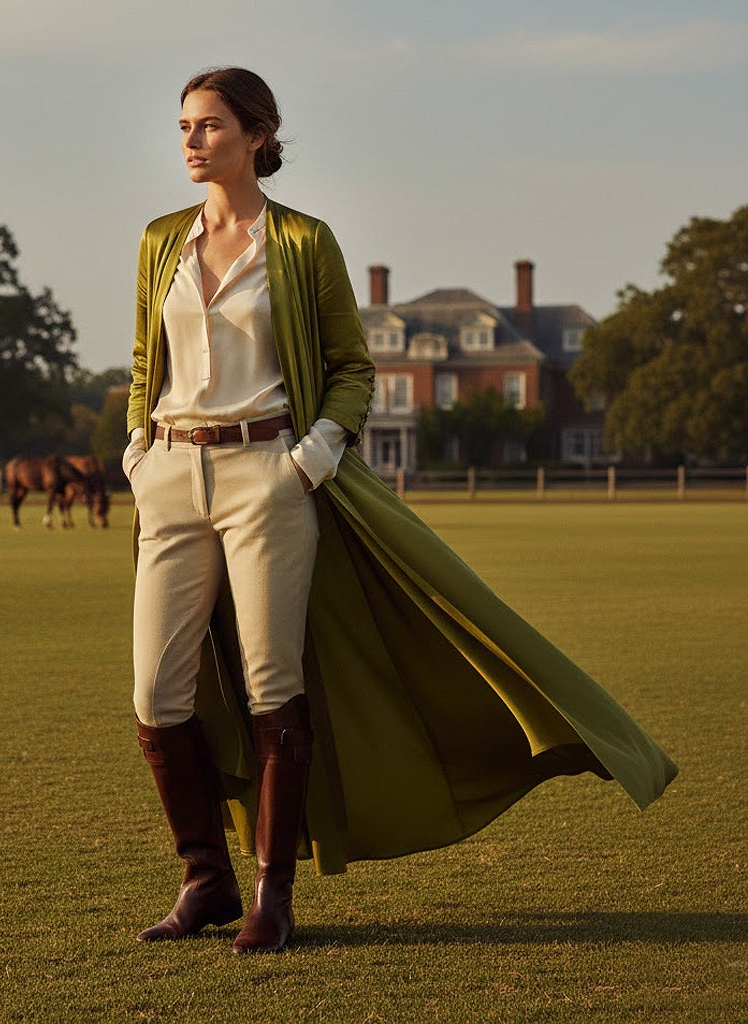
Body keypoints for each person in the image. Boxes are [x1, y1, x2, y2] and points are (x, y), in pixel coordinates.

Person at [124, 67, 676, 956]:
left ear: (259, 135)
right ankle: (204, 878)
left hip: (268, 472)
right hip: (170, 475)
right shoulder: (160, 240)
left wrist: (310, 456)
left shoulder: (302, 243)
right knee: (156, 693)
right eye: (183, 125)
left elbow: (351, 365)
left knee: (274, 687)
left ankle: (271, 891)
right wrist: (137, 448)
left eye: (209, 125)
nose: (189, 140)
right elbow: (143, 359)